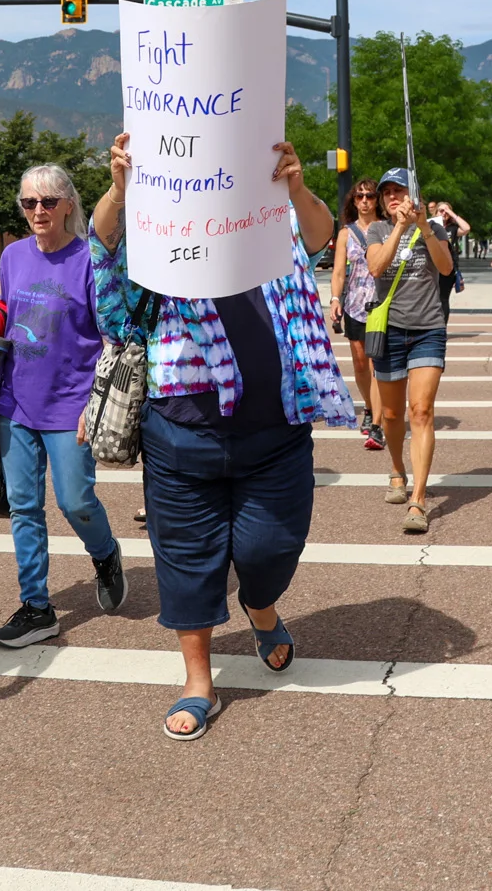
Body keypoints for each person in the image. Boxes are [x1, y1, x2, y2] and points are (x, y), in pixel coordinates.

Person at [91, 133, 355, 741]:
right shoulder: (160, 223)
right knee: (185, 558)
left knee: (270, 549)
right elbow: (103, 247)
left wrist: (297, 186)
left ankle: (260, 606)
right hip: (179, 429)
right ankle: (198, 680)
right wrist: (121, 189)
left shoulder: (271, 212)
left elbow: (320, 236)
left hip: (277, 427)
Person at [0, 165, 124, 649]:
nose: (37, 210)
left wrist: (93, 404)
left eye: (47, 202)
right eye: (28, 203)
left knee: (76, 501)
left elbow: (110, 337)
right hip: (15, 401)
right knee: (23, 507)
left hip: (70, 403)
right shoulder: (13, 255)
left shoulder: (89, 260)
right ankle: (37, 607)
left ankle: (104, 553)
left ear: (68, 206)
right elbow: (9, 309)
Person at [364, 169, 456, 533]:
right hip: (389, 331)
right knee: (391, 414)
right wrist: (400, 227)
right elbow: (376, 267)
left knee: (421, 411)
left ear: (413, 194)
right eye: (386, 192)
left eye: (398, 190)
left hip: (428, 328)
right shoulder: (378, 230)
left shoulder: (433, 228)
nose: (391, 197)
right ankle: (397, 469)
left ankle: (418, 499)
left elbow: (446, 268)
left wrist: (423, 227)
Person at [327, 178, 388, 451]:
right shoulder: (346, 233)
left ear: (377, 200)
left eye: (370, 196)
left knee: (377, 364)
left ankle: (377, 423)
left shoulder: (386, 228)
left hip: (381, 303)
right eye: (360, 196)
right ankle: (370, 406)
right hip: (355, 304)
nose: (365, 201)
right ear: (353, 201)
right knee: (361, 363)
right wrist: (335, 298)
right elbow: (339, 271)